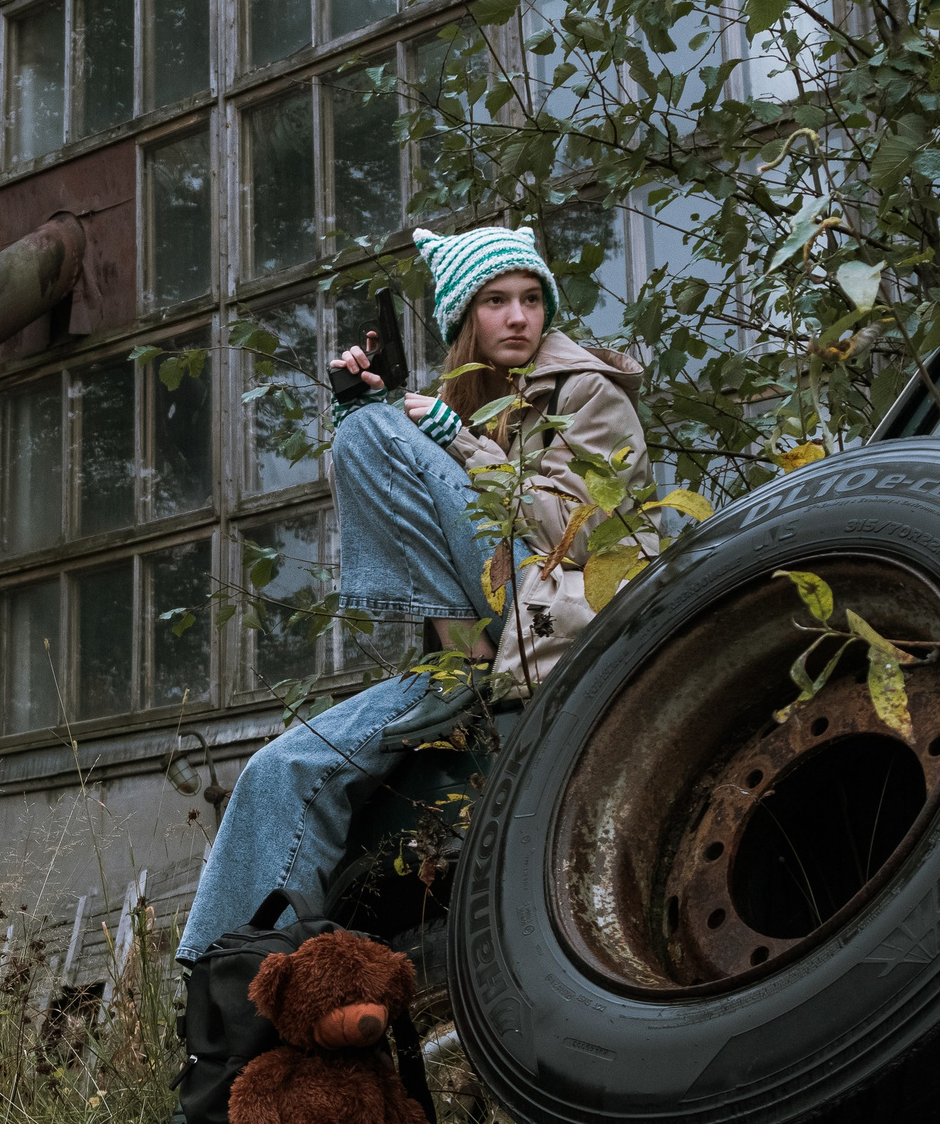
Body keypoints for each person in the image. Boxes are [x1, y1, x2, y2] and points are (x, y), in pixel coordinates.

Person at [173, 224, 652, 963]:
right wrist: (388, 419)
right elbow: (394, 515)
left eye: (531, 299)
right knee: (281, 769)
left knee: (372, 430)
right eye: (496, 300)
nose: (519, 316)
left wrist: (453, 438)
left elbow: (586, 532)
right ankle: (216, 992)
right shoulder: (468, 399)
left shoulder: (586, 389)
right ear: (465, 316)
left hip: (556, 619)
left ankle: (467, 658)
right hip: (484, 632)